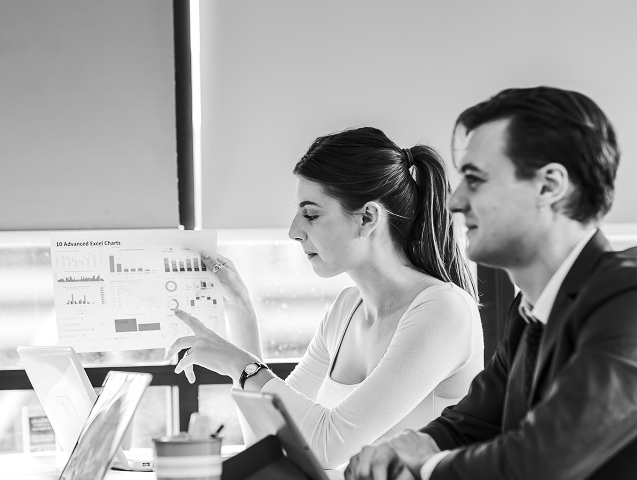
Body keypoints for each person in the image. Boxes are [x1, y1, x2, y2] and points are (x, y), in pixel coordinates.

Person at [345, 86, 637, 480]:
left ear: (549, 186)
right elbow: (472, 423)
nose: (454, 202)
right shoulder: (530, 311)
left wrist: (426, 466)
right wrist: (403, 449)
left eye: (476, 179)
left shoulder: (627, 300)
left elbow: (540, 463)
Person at [168, 127, 484, 468]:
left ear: (367, 218)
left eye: (311, 214)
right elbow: (272, 441)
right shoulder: (346, 310)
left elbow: (330, 446)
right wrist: (241, 312)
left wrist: (239, 364)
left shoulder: (442, 310)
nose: (293, 231)